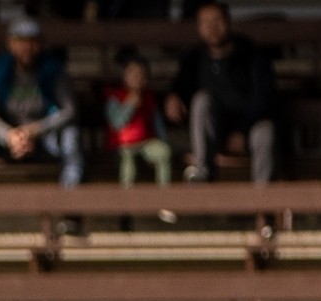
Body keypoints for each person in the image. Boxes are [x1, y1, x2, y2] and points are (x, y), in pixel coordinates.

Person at [0, 15, 85, 239]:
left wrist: (36, 130)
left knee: (72, 138)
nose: (26, 47)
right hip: (8, 139)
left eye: (32, 41)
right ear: (10, 43)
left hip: (44, 139)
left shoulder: (54, 70)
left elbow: (69, 111)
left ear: (40, 44)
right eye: (20, 41)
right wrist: (10, 135)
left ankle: (71, 216)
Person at [165, 1, 278, 185]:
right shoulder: (194, 58)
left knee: (265, 132)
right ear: (199, 27)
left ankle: (264, 196)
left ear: (228, 22)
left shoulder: (251, 55)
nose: (212, 27)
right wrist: (174, 96)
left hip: (249, 126)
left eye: (217, 20)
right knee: (201, 100)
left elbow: (263, 100)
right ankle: (203, 174)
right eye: (205, 22)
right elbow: (181, 85)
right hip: (216, 128)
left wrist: (242, 131)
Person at [105, 50, 173, 188]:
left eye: (141, 74)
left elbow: (158, 124)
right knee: (128, 165)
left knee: (164, 152)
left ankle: (164, 194)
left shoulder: (149, 97)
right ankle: (127, 197)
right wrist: (129, 106)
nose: (137, 78)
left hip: (146, 143)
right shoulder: (115, 98)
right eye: (133, 74)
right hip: (124, 145)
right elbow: (117, 123)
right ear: (124, 76)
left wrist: (164, 142)